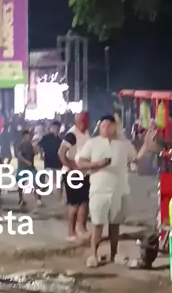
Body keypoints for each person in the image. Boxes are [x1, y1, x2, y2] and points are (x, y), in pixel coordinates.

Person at [77, 115, 156, 267]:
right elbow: (80, 163)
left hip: (119, 191)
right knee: (97, 224)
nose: (105, 128)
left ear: (114, 127)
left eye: (109, 125)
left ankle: (114, 254)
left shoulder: (124, 144)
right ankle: (93, 254)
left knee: (115, 225)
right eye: (103, 126)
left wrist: (146, 146)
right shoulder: (92, 143)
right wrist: (97, 164)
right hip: (99, 190)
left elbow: (135, 158)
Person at [58, 112, 91, 242]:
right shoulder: (71, 134)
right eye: (82, 121)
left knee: (84, 202)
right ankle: (70, 233)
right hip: (72, 174)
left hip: (85, 173)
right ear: (77, 122)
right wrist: (71, 166)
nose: (84, 124)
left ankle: (82, 229)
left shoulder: (86, 133)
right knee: (74, 205)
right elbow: (61, 153)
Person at [15, 128, 40, 208]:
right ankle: (21, 199)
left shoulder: (31, 145)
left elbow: (36, 153)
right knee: (21, 184)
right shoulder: (20, 146)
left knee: (36, 182)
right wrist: (26, 162)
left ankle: (38, 199)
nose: (29, 138)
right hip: (22, 167)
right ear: (24, 137)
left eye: (29, 136)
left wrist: (36, 148)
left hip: (31, 168)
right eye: (27, 136)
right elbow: (19, 156)